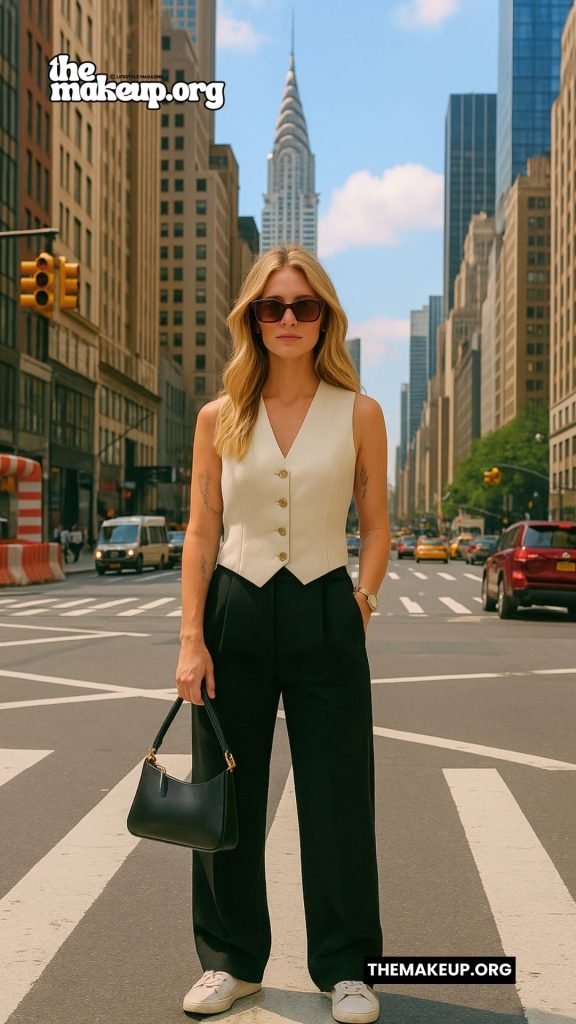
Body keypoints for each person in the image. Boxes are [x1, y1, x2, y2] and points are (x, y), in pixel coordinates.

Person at [176, 245, 390, 1023]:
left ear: (324, 316)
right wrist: (190, 638)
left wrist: (359, 601)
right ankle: (231, 963)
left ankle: (347, 967)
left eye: (304, 306)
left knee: (338, 796)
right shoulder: (218, 415)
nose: (289, 319)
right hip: (235, 606)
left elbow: (377, 526)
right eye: (273, 307)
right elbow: (201, 531)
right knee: (226, 794)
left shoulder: (360, 411)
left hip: (327, 609)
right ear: (253, 320)